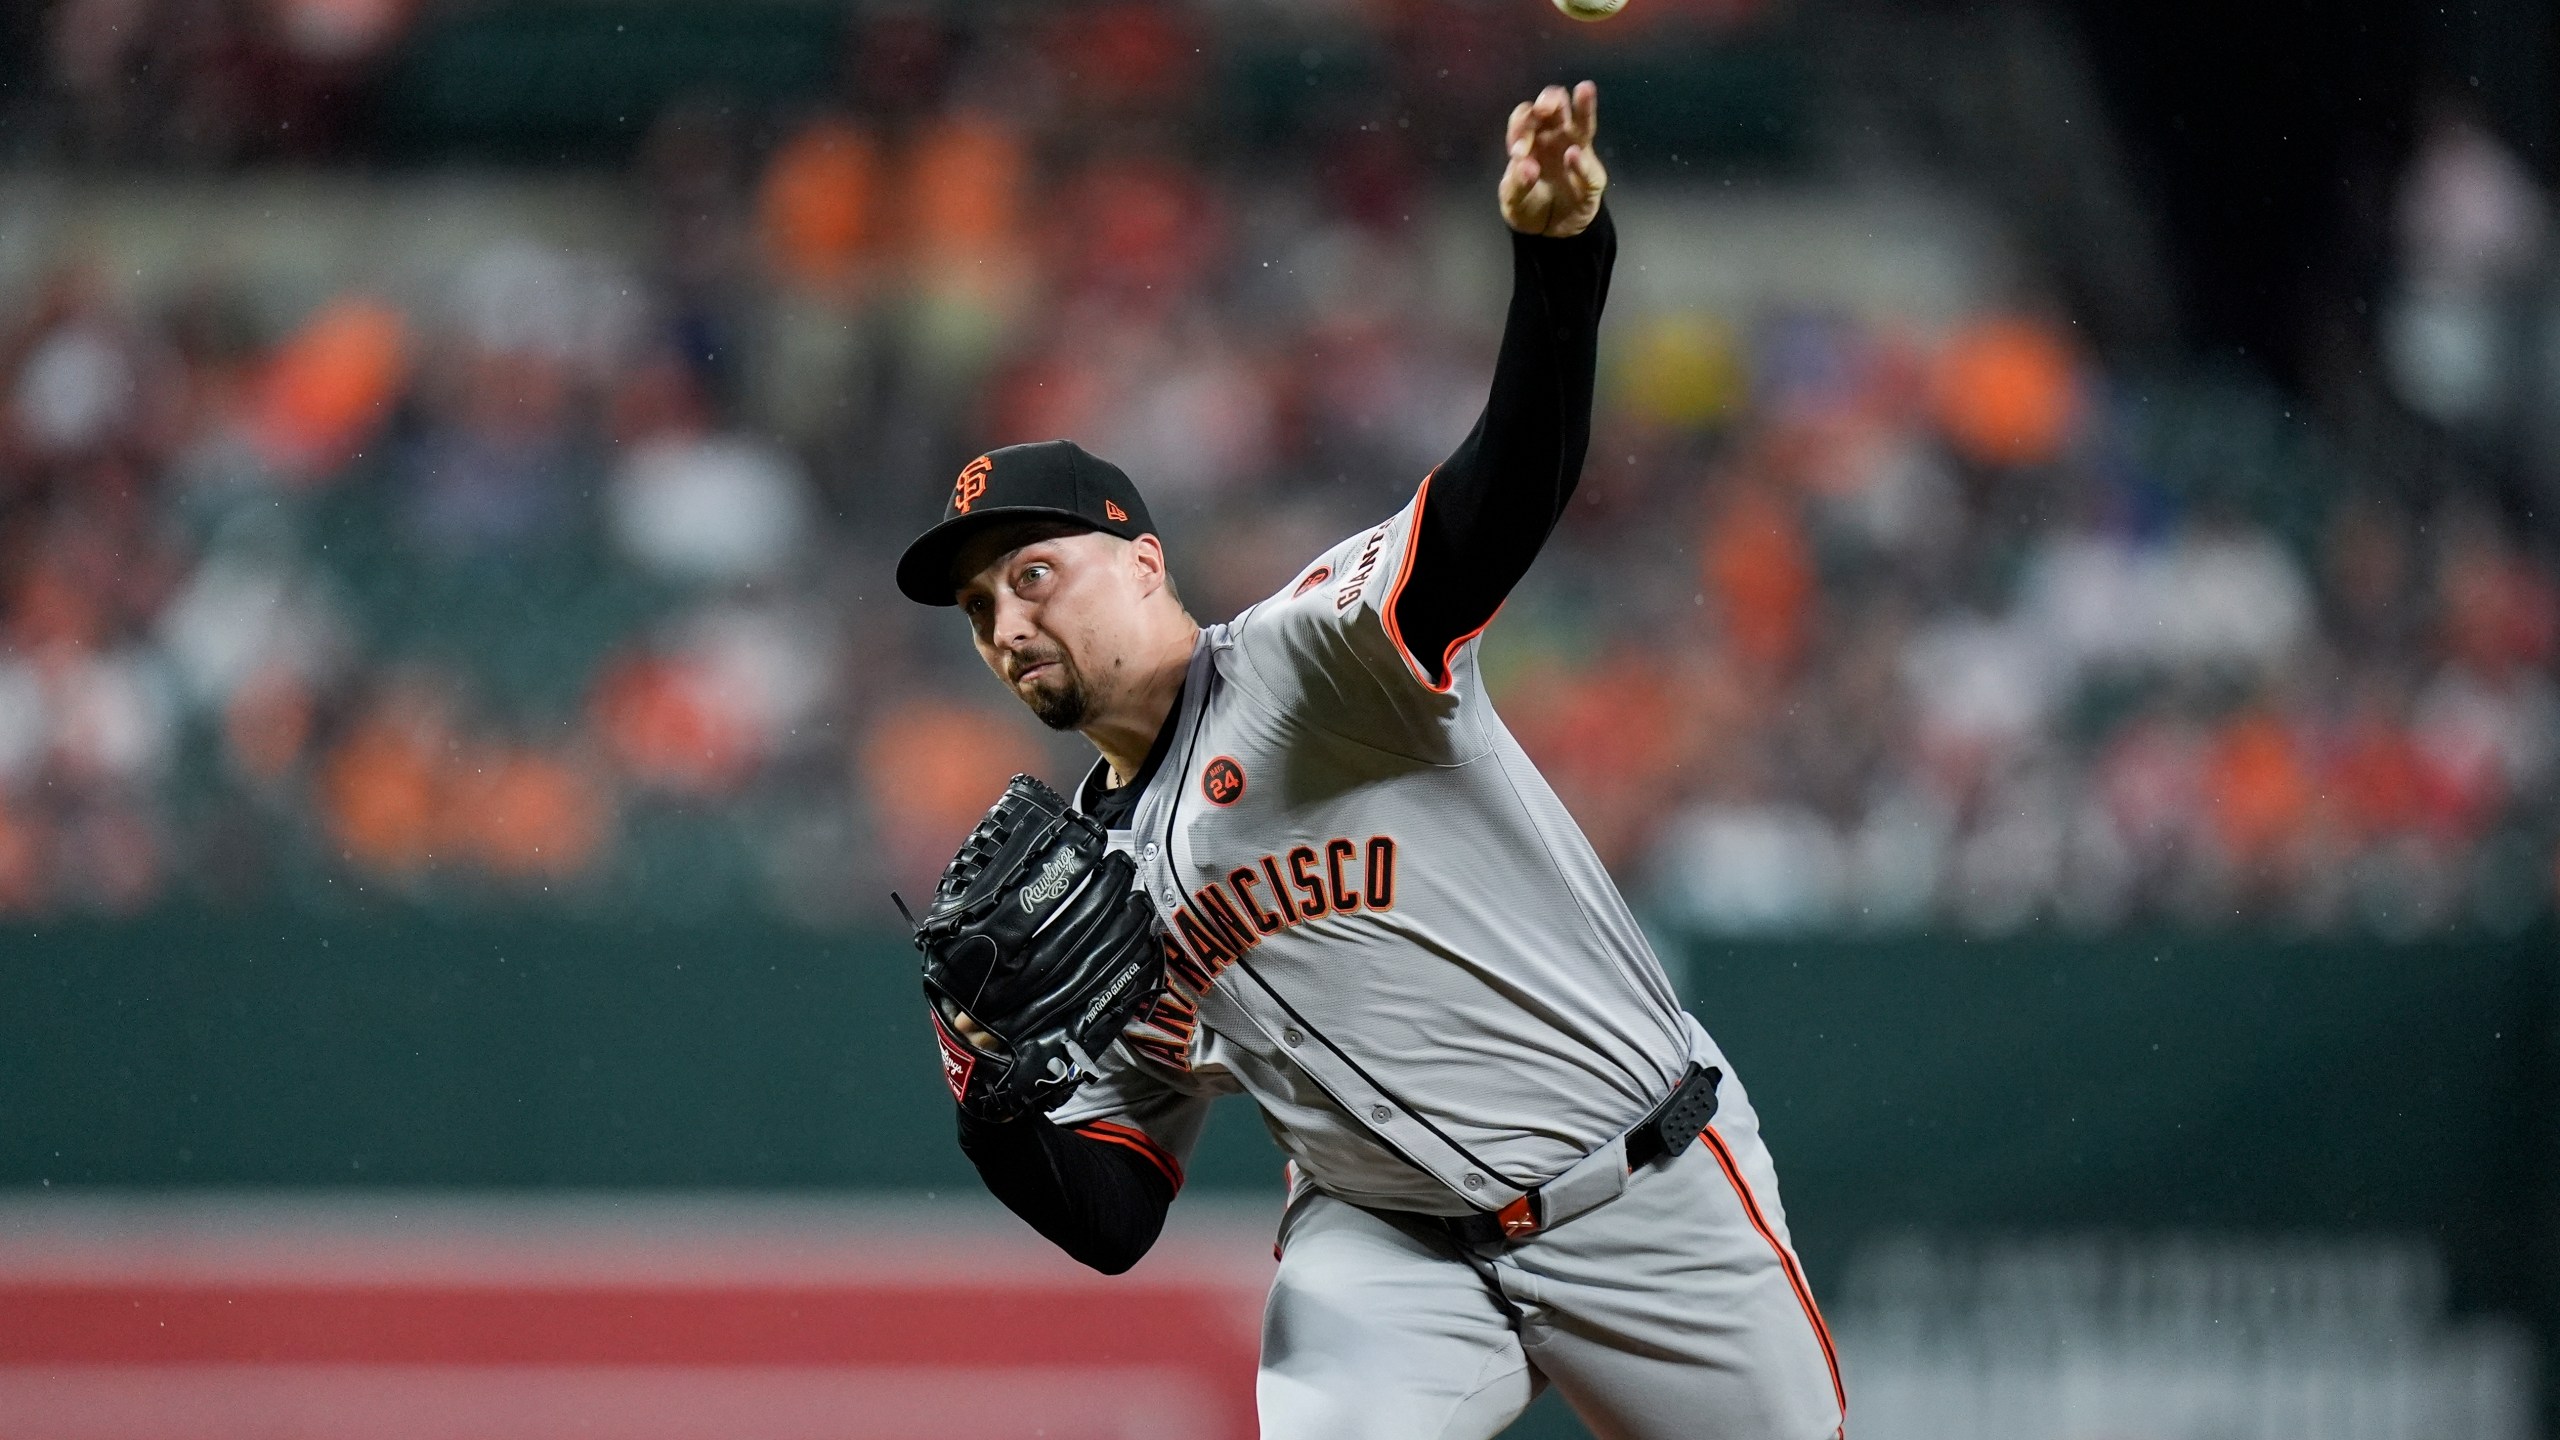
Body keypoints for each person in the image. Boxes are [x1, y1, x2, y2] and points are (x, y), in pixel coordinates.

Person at [893, 83, 1844, 1440]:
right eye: (982, 608)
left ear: (1147, 562)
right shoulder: (1078, 896)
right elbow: (1112, 1217)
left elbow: (1501, 499)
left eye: (1034, 572)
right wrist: (994, 1102)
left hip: (1643, 1187)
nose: (1007, 620)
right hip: (1387, 1252)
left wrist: (1564, 261)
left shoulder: (1310, 657)